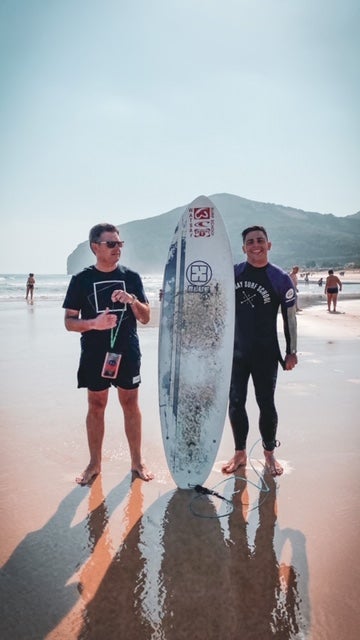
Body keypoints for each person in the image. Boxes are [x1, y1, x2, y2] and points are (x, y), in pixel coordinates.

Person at [63, 223, 154, 485]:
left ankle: (137, 461)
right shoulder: (81, 280)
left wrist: (132, 300)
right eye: (111, 244)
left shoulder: (131, 277)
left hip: (127, 350)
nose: (117, 248)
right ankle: (95, 463)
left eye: (119, 244)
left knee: (129, 403)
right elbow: (69, 322)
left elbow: (146, 317)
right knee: (96, 405)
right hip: (94, 353)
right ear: (95, 247)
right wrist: (93, 324)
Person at [222, 225, 298, 477]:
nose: (256, 245)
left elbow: (289, 318)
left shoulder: (279, 277)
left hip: (265, 352)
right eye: (250, 242)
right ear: (243, 248)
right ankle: (240, 453)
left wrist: (291, 351)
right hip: (235, 352)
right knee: (235, 402)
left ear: (269, 244)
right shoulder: (232, 274)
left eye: (260, 240)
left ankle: (269, 454)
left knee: (266, 402)